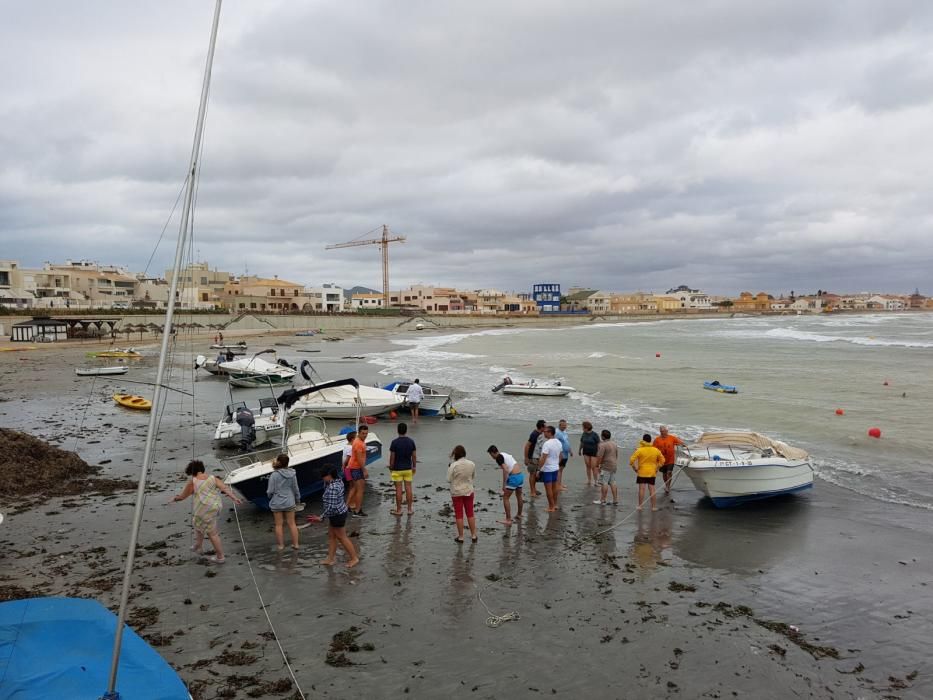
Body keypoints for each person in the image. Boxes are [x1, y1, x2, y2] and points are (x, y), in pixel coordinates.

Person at [172, 459, 241, 564]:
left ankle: (220, 557)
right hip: (216, 506)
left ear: (192, 472)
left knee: (212, 533)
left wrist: (175, 498)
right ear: (202, 469)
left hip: (204, 509)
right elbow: (225, 488)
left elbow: (183, 496)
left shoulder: (193, 482)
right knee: (197, 523)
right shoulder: (213, 478)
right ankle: (198, 546)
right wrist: (234, 498)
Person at [320, 466, 359, 568]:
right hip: (340, 511)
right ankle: (330, 558)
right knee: (332, 536)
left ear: (329, 476)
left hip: (337, 514)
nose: (322, 478)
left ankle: (354, 558)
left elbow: (331, 506)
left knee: (342, 537)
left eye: (323, 476)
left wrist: (321, 517)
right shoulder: (339, 481)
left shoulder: (333, 487)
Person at [267, 454, 301, 549]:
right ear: (287, 463)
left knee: (278, 525)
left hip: (277, 502)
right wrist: (298, 500)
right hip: (290, 501)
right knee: (292, 523)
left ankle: (281, 546)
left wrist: (270, 497)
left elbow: (270, 491)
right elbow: (296, 489)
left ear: (278, 462)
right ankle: (296, 544)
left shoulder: (274, 475)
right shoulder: (292, 474)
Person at [447, 445, 477, 543]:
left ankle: (461, 537)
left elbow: (448, 479)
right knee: (470, 513)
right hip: (468, 490)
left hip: (456, 492)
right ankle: (473, 535)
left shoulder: (454, 465)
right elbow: (473, 477)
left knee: (459, 515)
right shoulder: (472, 464)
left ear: (455, 454)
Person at [488, 445, 523, 525]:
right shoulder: (504, 454)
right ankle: (519, 514)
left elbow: (506, 470)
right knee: (519, 496)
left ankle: (508, 520)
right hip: (520, 475)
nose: (491, 457)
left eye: (491, 455)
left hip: (514, 477)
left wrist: (504, 484)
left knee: (505, 498)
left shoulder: (498, 458)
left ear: (493, 453)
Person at [629, 434, 665, 512]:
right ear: (650, 440)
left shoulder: (639, 450)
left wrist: (635, 468)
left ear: (643, 440)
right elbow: (663, 460)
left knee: (642, 489)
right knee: (652, 489)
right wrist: (657, 467)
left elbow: (631, 460)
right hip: (652, 472)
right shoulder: (655, 450)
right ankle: (654, 507)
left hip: (642, 471)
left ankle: (640, 506)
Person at [389, 422, 417, 515]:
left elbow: (392, 457)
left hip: (397, 469)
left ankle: (399, 510)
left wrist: (391, 467)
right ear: (406, 430)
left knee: (398, 490)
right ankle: (409, 509)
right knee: (409, 488)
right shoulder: (411, 441)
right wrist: (414, 466)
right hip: (408, 468)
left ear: (397, 430)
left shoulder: (394, 442)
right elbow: (414, 456)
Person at [653, 425, 684, 495]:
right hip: (661, 460)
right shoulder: (657, 440)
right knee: (664, 474)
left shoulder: (672, 438)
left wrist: (684, 445)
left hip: (670, 459)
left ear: (667, 431)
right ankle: (666, 484)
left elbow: (680, 443)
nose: (662, 433)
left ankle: (668, 486)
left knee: (669, 472)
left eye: (663, 431)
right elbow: (653, 449)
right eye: (661, 431)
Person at [538, 426, 562, 513]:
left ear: (550, 432)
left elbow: (543, 458)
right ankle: (554, 504)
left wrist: (539, 469)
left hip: (548, 469)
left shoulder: (547, 444)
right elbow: (561, 456)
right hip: (555, 468)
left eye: (545, 431)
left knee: (548, 489)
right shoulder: (558, 442)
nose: (544, 433)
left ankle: (551, 507)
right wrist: (556, 463)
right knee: (554, 488)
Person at [347, 424, 370, 517]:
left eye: (366, 433)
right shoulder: (359, 444)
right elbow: (359, 458)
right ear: (359, 433)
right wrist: (364, 470)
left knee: (357, 489)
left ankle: (355, 508)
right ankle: (357, 511)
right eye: (363, 433)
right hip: (356, 468)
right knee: (360, 490)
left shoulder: (358, 441)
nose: (365, 435)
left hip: (355, 468)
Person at [593, 429, 620, 506]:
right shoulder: (614, 444)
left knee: (604, 482)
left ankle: (603, 500)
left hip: (606, 466)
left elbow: (599, 456)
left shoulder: (602, 445)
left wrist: (597, 465)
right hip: (614, 465)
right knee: (612, 482)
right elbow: (616, 455)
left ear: (603, 436)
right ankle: (615, 500)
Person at [524, 419, 546, 496]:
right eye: (545, 426)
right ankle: (532, 492)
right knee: (532, 474)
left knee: (535, 474)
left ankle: (534, 489)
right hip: (532, 458)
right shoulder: (534, 434)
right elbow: (527, 446)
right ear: (541, 427)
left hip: (537, 457)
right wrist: (526, 458)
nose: (546, 428)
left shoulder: (540, 434)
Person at [579, 421, 601, 486]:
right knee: (588, 466)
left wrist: (599, 453)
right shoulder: (584, 434)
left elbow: (599, 444)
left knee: (593, 467)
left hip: (594, 452)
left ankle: (596, 481)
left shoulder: (595, 435)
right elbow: (582, 442)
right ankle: (589, 480)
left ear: (586, 428)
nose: (582, 428)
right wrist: (579, 450)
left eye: (583, 427)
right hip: (586, 452)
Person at [555, 418, 573, 491]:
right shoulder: (557, 432)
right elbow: (555, 443)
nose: (565, 427)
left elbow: (566, 442)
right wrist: (559, 453)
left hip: (566, 453)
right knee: (559, 469)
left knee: (561, 469)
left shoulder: (564, 432)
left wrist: (570, 450)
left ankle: (560, 483)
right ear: (559, 425)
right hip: (560, 454)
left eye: (565, 425)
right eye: (563, 426)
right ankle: (558, 486)